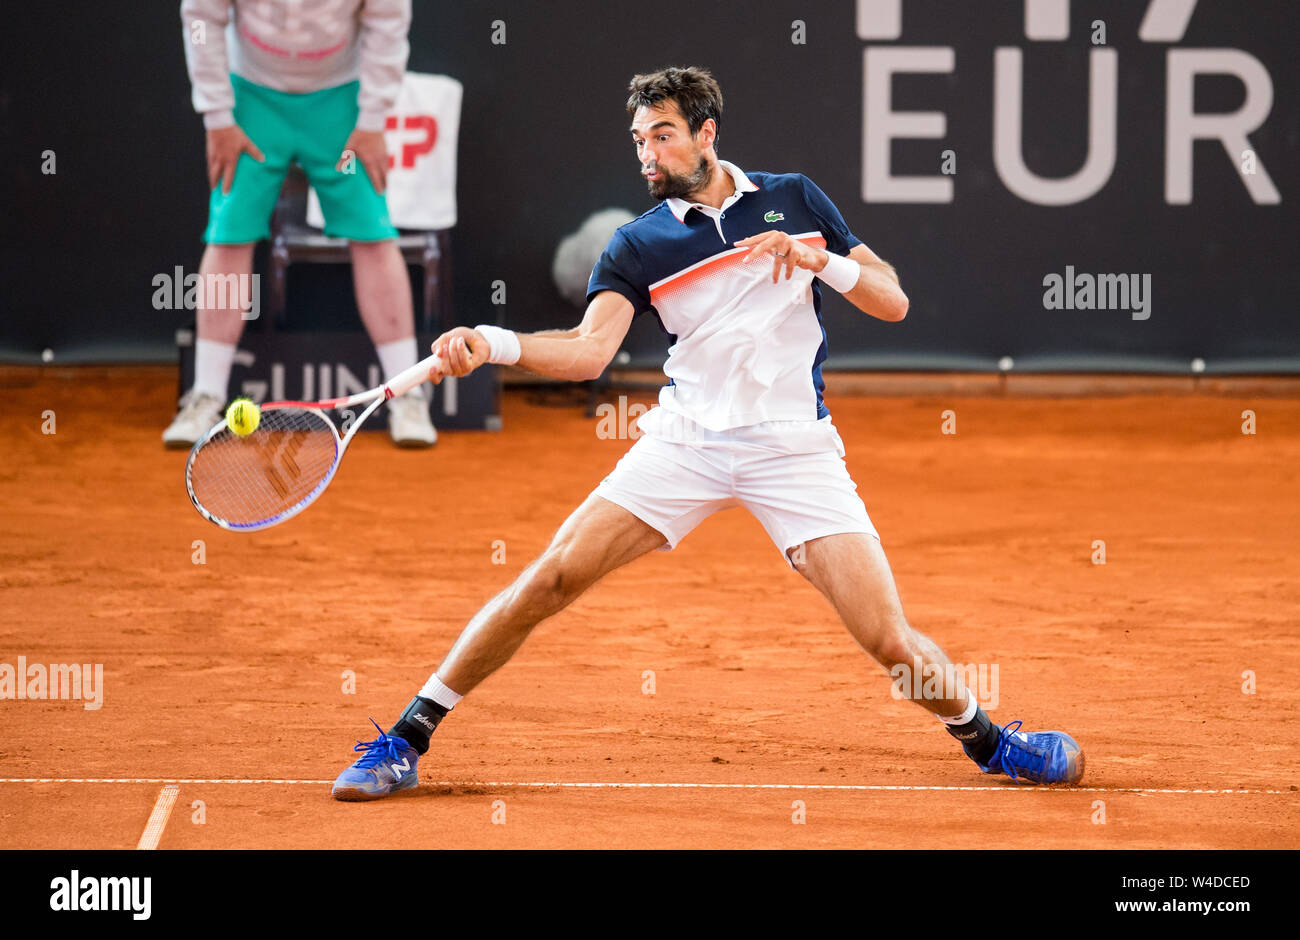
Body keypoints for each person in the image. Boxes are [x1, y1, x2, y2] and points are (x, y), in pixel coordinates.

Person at [331, 66, 1084, 800]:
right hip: (685, 441)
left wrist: (821, 260)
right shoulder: (637, 245)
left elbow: (894, 303)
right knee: (550, 577)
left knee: (889, 640)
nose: (647, 155)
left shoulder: (794, 198)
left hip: (793, 447)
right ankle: (406, 737)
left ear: (707, 133)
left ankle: (992, 744)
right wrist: (493, 342)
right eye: (638, 141)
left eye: (663, 136)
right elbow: (589, 351)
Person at [166, 0, 436, 448]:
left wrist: (371, 120)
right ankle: (205, 395)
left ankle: (407, 395)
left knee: (372, 232)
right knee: (229, 232)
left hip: (342, 102)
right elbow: (202, 17)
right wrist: (217, 116)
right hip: (249, 95)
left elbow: (388, 23)